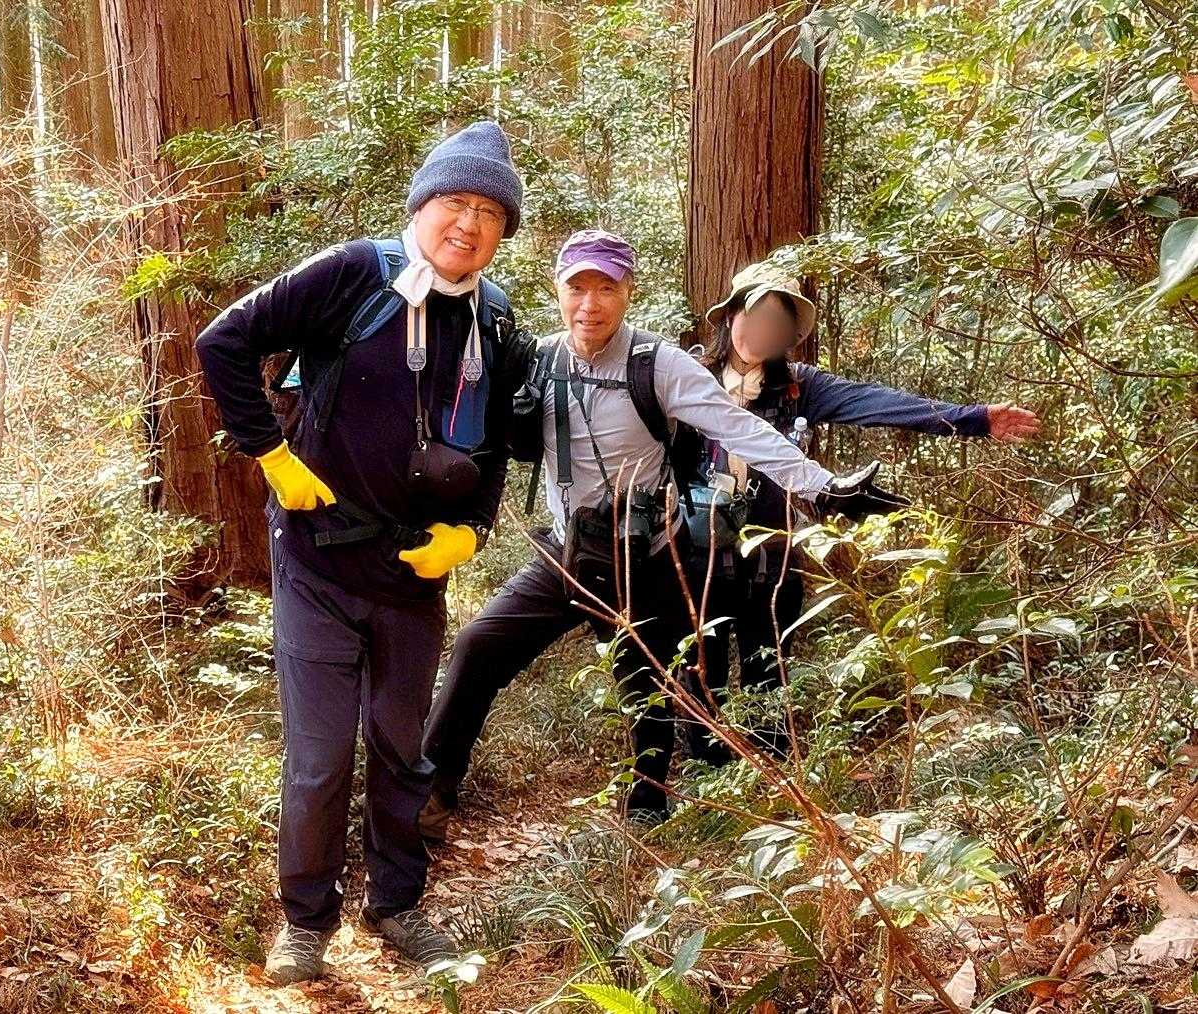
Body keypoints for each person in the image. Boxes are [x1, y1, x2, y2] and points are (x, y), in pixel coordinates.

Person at [195, 121, 533, 985]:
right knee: (318, 757)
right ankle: (305, 920)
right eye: (455, 203)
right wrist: (270, 454)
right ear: (421, 205)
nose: (469, 224)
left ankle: (397, 903)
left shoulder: (494, 320)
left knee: (399, 747)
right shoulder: (354, 273)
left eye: (490, 213)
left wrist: (472, 531)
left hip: (411, 573)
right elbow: (223, 340)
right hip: (315, 558)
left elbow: (496, 445)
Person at [417, 230, 895, 839]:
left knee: (648, 683)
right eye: (577, 287)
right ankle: (430, 793)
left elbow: (737, 428)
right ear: (557, 290)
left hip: (644, 552)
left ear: (629, 293)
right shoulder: (538, 360)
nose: (590, 304)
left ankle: (649, 803)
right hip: (566, 549)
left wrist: (823, 487)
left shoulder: (657, 364)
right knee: (477, 648)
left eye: (606, 288)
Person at [680, 260, 1042, 764]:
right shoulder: (690, 376)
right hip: (698, 549)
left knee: (768, 664)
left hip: (772, 550)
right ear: (731, 315)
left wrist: (974, 419)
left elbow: (875, 402)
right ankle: (709, 771)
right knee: (702, 663)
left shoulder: (799, 386)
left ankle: (770, 776)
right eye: (754, 316)